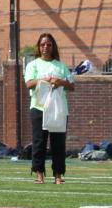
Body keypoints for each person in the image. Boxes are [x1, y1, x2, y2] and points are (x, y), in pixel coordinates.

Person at [24, 32, 74, 185]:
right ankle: (39, 174)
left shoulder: (60, 66)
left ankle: (58, 175)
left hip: (58, 109)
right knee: (39, 141)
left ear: (53, 47)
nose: (46, 47)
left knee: (58, 142)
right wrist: (43, 80)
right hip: (39, 108)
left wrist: (61, 82)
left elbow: (71, 85)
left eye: (49, 45)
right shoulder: (33, 65)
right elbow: (29, 83)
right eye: (43, 44)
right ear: (38, 47)